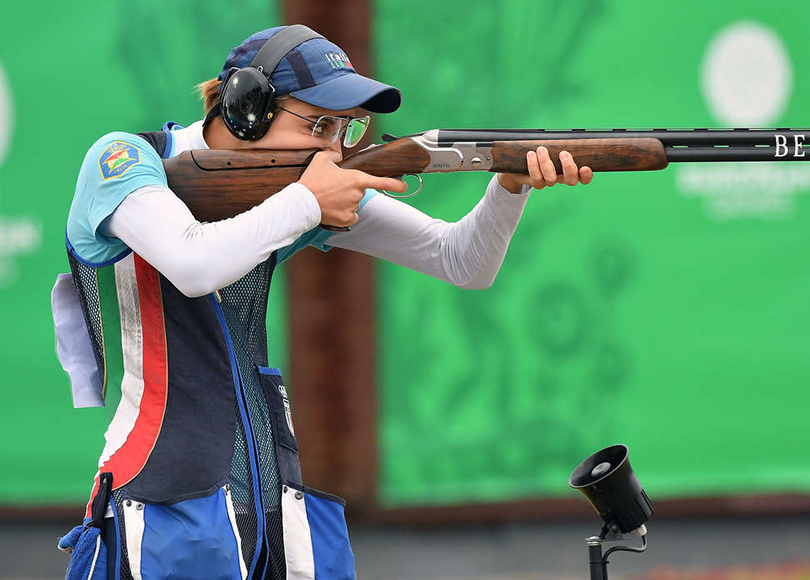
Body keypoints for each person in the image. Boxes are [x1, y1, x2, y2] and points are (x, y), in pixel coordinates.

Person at [51, 24, 593, 580]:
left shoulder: (295, 199)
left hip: (266, 506)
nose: (335, 149)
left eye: (346, 128)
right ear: (246, 107)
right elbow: (193, 264)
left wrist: (507, 186)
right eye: (318, 125)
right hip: (158, 504)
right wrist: (308, 202)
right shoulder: (123, 160)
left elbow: (462, 261)